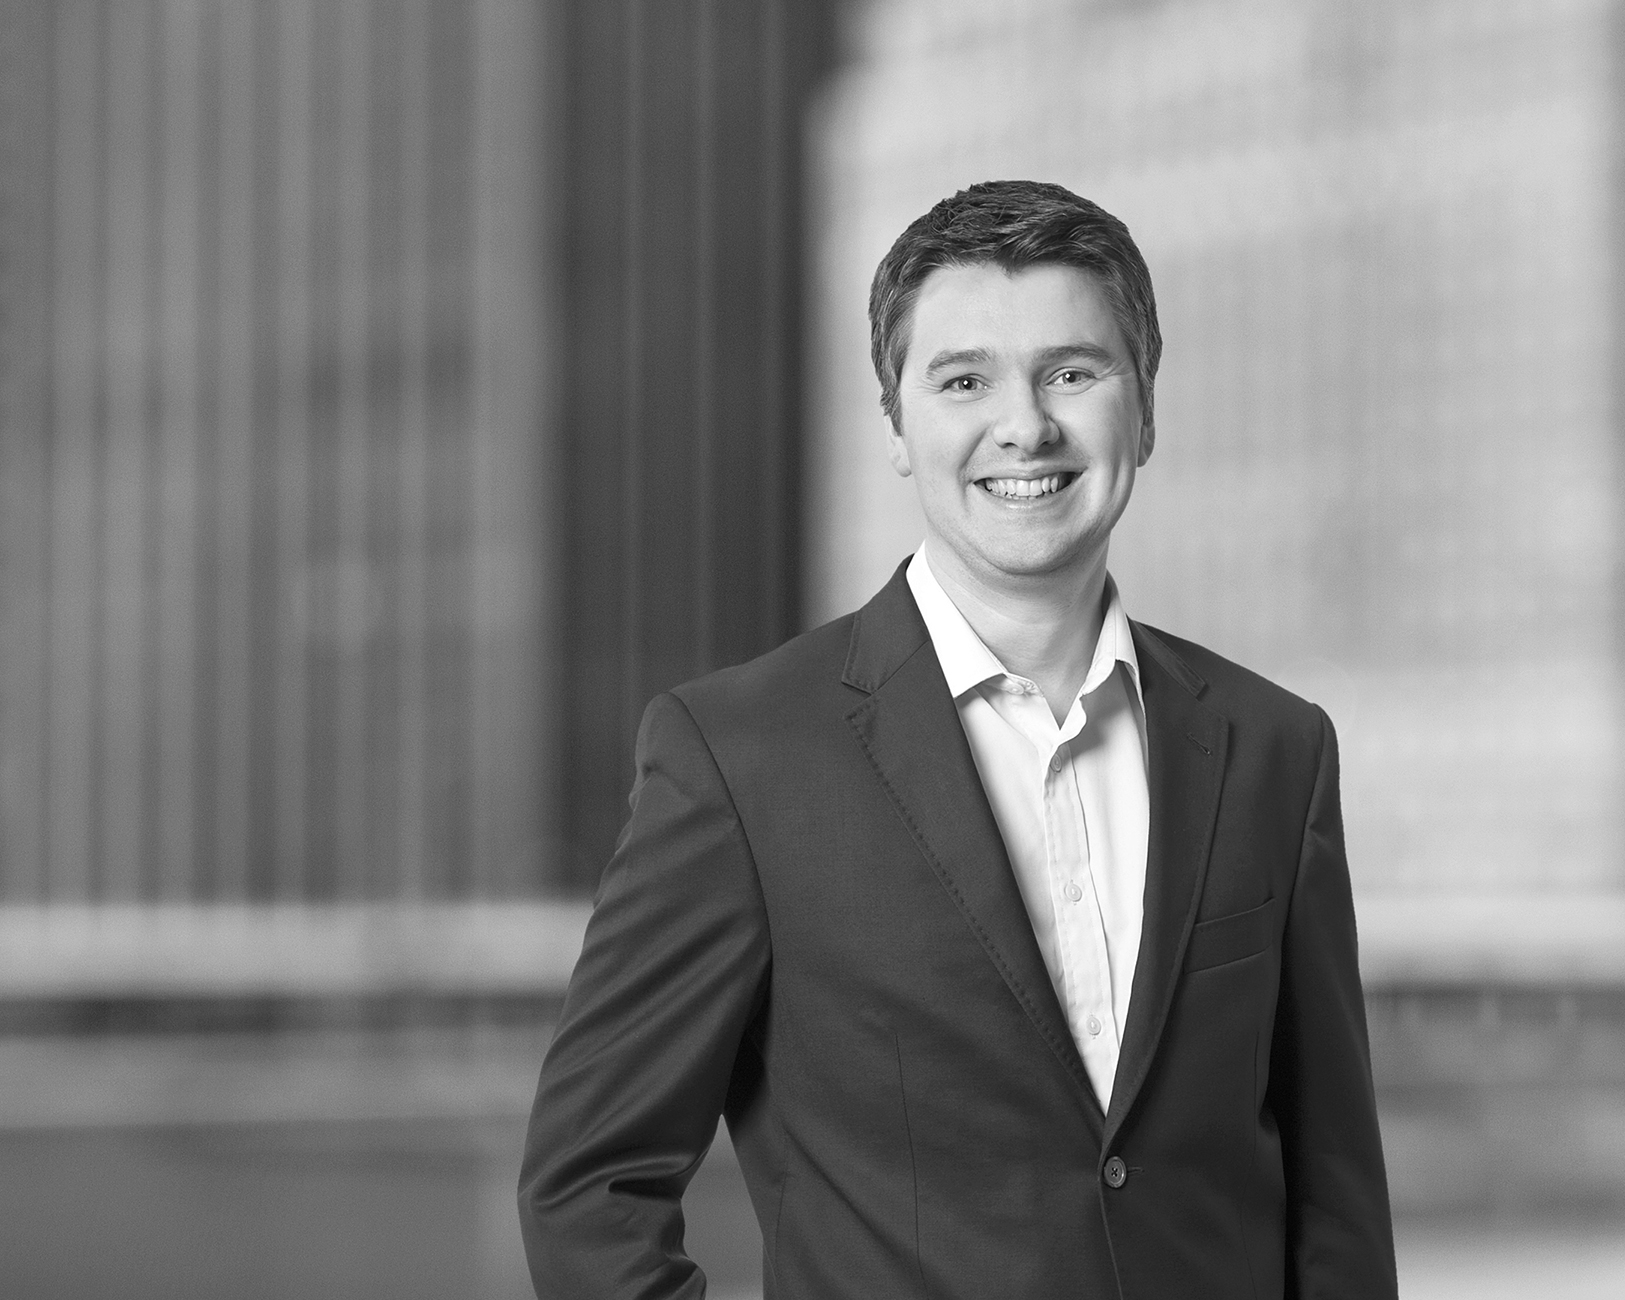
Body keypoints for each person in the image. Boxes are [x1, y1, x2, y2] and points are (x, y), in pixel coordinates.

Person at [519, 180, 1397, 1299]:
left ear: (1145, 410)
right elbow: (588, 1189)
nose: (1024, 426)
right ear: (897, 426)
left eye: (1071, 372)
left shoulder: (1273, 748)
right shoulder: (738, 757)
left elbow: (1334, 1200)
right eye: (964, 380)